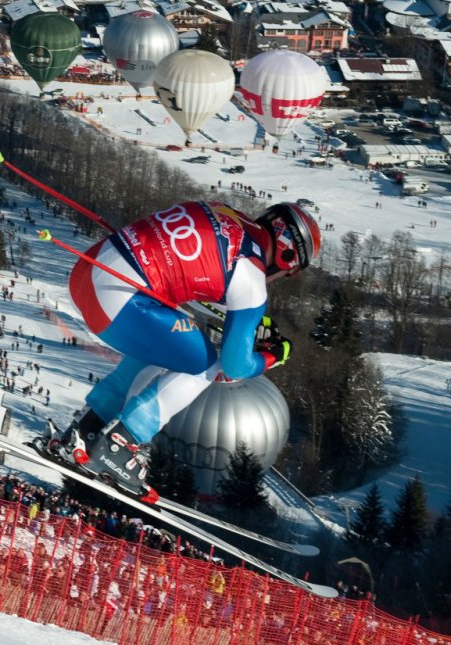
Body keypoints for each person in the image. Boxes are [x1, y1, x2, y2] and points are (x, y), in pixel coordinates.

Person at [50, 201, 321, 501]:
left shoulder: (224, 212)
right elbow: (234, 365)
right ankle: (123, 444)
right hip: (118, 302)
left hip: (87, 272)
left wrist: (249, 320)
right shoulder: (252, 278)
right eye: (288, 273)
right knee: (207, 364)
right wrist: (273, 355)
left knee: (161, 349)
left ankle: (87, 429)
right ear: (287, 258)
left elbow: (198, 272)